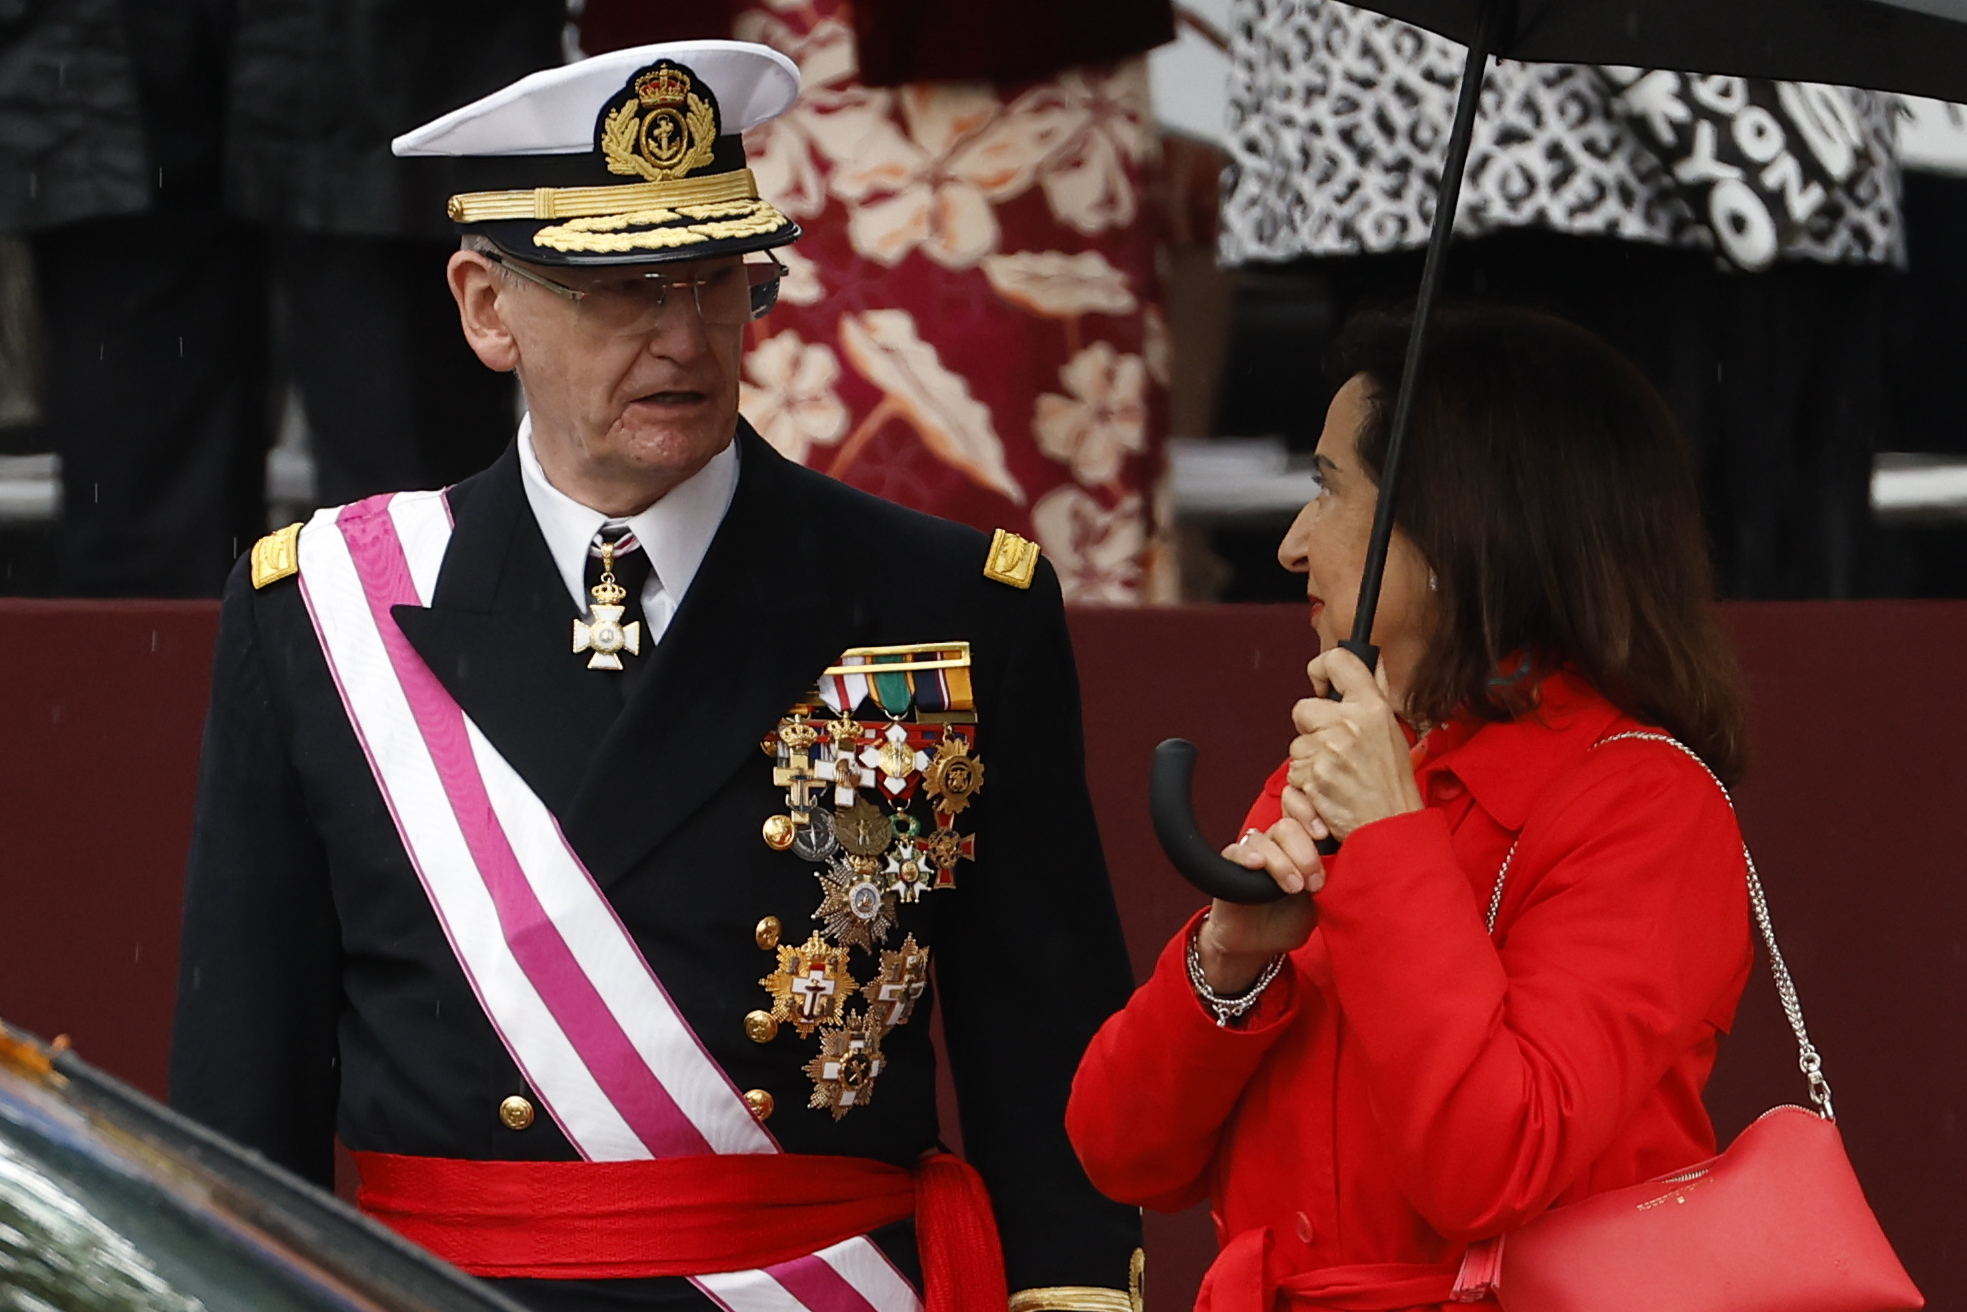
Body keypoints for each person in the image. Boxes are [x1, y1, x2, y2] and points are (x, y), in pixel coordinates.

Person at [169, 41, 1141, 1312]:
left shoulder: (947, 605)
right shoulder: (318, 616)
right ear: (484, 306)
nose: (684, 336)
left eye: (716, 280)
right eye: (621, 287)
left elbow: (1045, 1065)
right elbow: (247, 1104)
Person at [1066, 305, 1755, 1311]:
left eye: (1326, 488)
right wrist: (1226, 965)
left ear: (1453, 520)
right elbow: (1121, 1151)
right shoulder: (1364, 752)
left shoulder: (1647, 804)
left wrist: (1390, 844)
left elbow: (1487, 1168)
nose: (1292, 546)